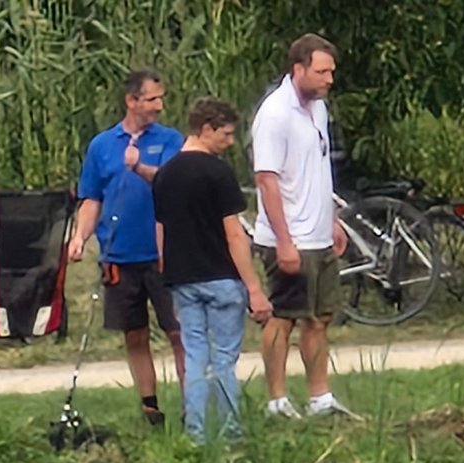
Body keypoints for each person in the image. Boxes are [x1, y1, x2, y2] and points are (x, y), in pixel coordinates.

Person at [70, 69, 187, 428]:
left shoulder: (170, 140)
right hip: (119, 256)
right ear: (131, 101)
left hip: (165, 254)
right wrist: (80, 236)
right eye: (151, 99)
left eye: (160, 98)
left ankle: (192, 407)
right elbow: (92, 197)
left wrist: (140, 168)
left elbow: (172, 182)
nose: (159, 105)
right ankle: (150, 407)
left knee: (178, 332)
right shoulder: (102, 145)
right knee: (134, 333)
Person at [153, 97, 274, 440]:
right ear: (207, 129)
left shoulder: (164, 174)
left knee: (194, 357)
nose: (230, 142)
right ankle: (229, 432)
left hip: (182, 279)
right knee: (223, 360)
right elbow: (234, 234)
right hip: (221, 277)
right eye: (226, 134)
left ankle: (196, 433)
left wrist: (167, 273)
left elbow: (161, 230)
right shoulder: (218, 172)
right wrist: (254, 288)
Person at [251, 34, 353, 420]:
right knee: (284, 316)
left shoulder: (318, 109)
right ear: (299, 68)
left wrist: (332, 218)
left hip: (319, 233)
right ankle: (277, 400)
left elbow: (318, 168)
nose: (329, 79)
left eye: (331, 72)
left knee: (320, 316)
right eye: (322, 72)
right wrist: (284, 241)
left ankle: (319, 397)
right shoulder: (275, 115)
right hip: (289, 235)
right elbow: (267, 180)